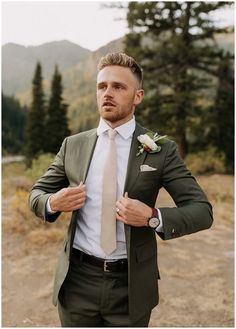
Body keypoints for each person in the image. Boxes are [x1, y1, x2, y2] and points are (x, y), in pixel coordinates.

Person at [29, 52, 213, 327]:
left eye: (118, 87)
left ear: (138, 96)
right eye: (102, 86)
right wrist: (54, 202)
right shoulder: (73, 145)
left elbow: (202, 211)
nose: (108, 93)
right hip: (77, 282)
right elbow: (36, 195)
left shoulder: (161, 149)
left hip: (131, 285)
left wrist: (153, 216)